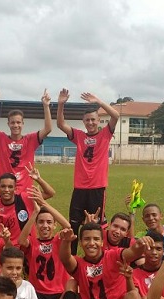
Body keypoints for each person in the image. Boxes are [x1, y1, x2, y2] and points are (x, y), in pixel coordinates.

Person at [56, 89, 119, 254]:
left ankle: (99, 259)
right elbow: (60, 124)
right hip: (79, 189)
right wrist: (61, 104)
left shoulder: (105, 134)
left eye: (93, 119)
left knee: (97, 227)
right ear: (83, 122)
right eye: (87, 120)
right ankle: (72, 261)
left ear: (99, 120)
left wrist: (98, 101)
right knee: (73, 226)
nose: (90, 123)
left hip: (97, 189)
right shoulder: (79, 136)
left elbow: (115, 116)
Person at [0, 87, 52, 194]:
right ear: (8, 124)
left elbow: (48, 129)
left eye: (18, 122)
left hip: (24, 191)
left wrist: (46, 106)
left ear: (23, 124)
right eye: (12, 123)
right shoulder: (1, 138)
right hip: (5, 190)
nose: (15, 125)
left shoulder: (30, 140)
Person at [17, 187, 73, 299]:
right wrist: (35, 213)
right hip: (38, 295)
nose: (45, 225)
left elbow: (68, 227)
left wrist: (44, 203)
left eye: (49, 222)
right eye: (41, 222)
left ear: (54, 226)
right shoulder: (33, 242)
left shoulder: (58, 240)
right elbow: (21, 240)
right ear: (36, 225)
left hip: (59, 293)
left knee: (72, 289)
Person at [0, 168, 56, 244]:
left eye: (10, 187)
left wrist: (39, 179)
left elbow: (50, 193)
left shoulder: (25, 198)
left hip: (26, 247)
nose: (6, 190)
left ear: (15, 189)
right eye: (3, 186)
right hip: (3, 250)